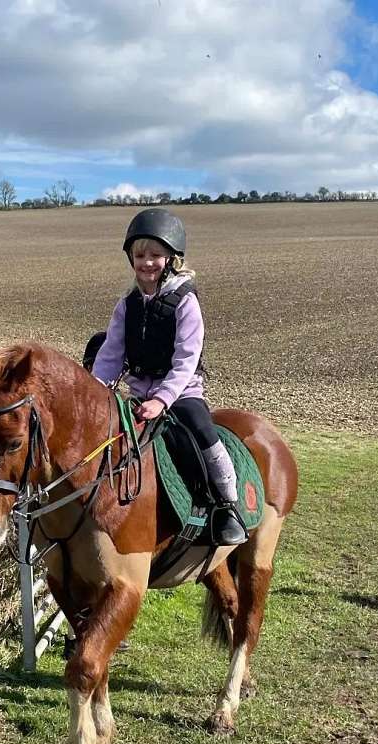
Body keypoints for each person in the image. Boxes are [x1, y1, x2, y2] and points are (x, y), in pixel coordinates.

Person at [89, 208, 247, 546]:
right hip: (138, 394)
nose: (147, 262)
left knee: (200, 431)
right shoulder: (127, 304)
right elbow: (111, 354)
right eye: (140, 255)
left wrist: (162, 399)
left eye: (155, 255)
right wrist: (95, 391)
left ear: (171, 258)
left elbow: (186, 359)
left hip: (181, 392)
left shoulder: (185, 301)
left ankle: (225, 505)